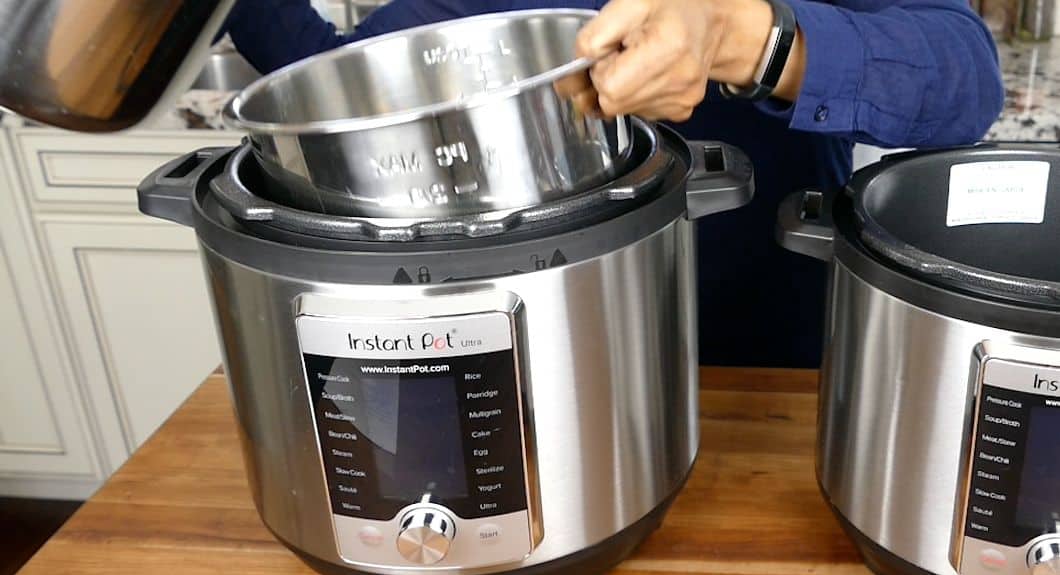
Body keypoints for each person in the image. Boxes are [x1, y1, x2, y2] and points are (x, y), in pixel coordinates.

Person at [220, 0, 1004, 368]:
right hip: (493, 366)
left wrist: (744, 40)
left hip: (761, 373)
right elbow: (351, 74)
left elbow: (964, 82)